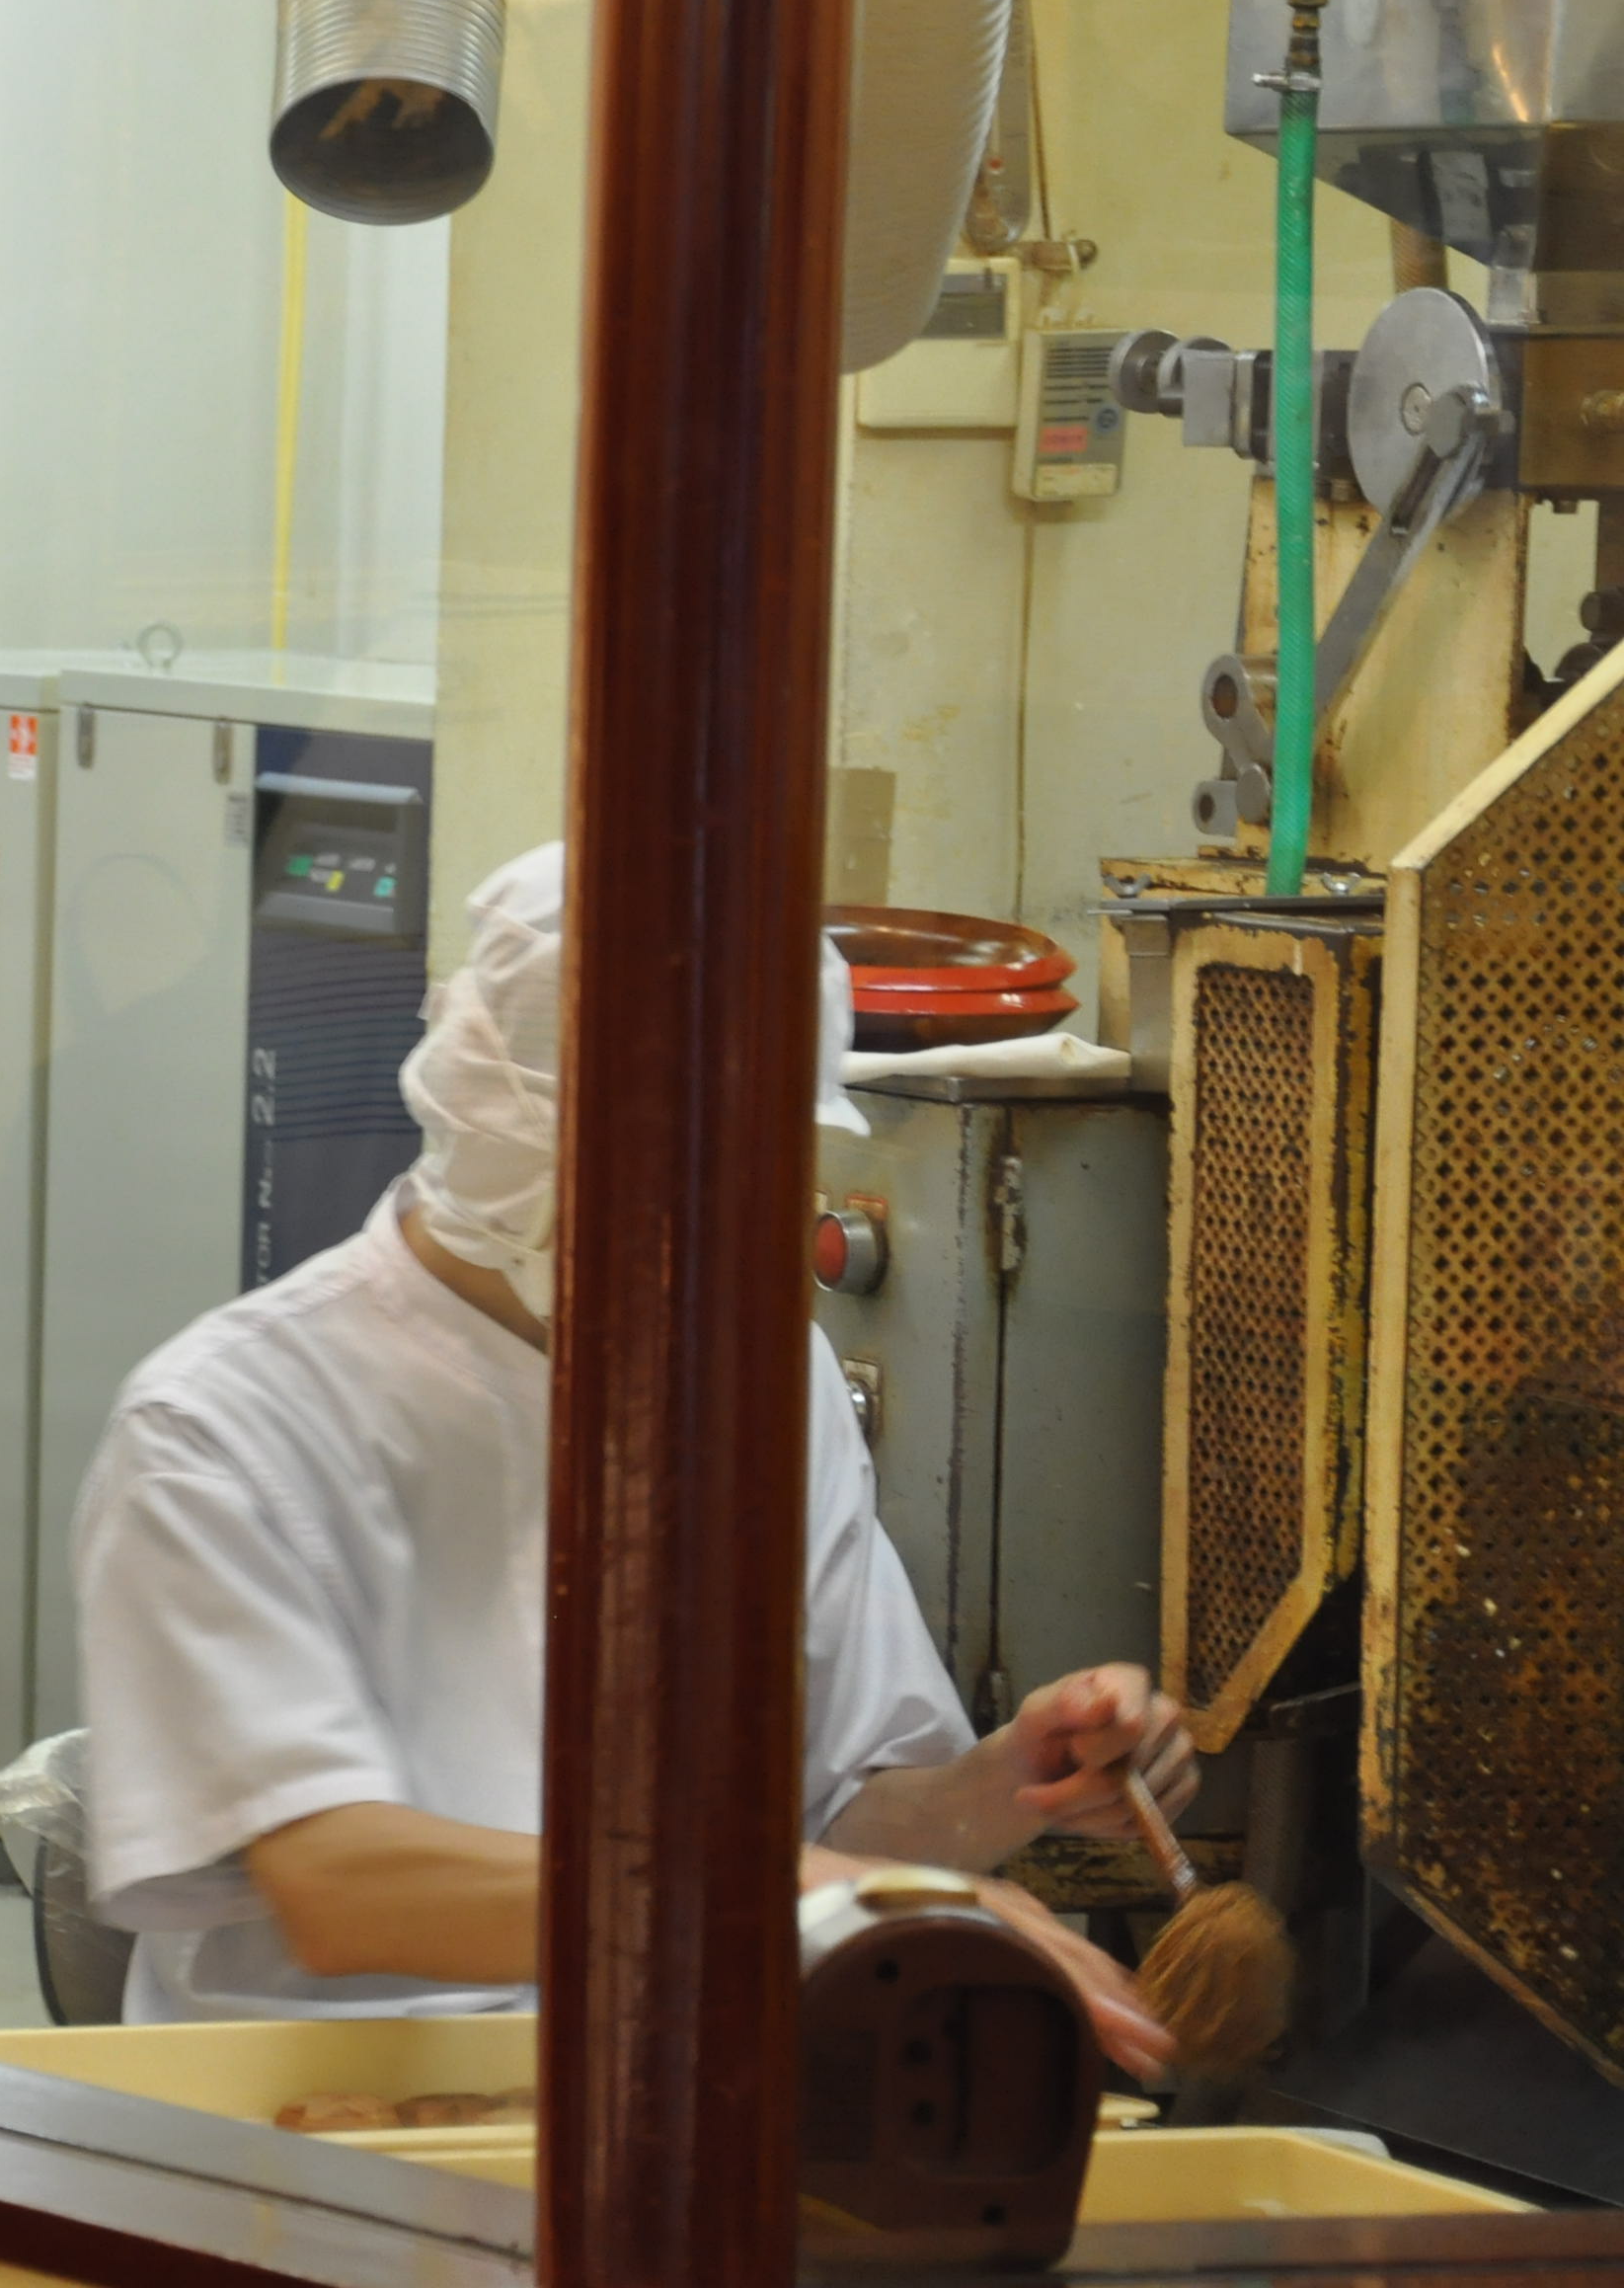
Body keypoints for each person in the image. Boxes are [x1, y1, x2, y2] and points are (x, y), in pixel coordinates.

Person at [72, 843, 1195, 2073]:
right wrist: (832, 1897)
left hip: (682, 2096)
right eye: (673, 1180)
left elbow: (835, 1818)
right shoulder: (224, 1427)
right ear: (506, 1140)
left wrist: (1003, 1786)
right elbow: (341, 1884)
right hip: (322, 2110)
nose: (723, 1230)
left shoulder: (765, 1380)